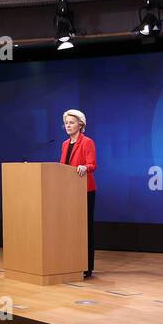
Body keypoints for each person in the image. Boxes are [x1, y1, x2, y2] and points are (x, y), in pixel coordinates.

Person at [59, 109, 98, 279]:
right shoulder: (64, 144)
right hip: (68, 192)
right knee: (70, 228)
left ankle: (86, 266)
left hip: (84, 191)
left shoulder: (87, 142)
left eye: (71, 122)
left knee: (85, 229)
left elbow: (93, 164)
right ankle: (72, 262)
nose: (68, 125)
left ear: (80, 125)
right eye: (66, 123)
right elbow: (61, 167)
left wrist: (85, 167)